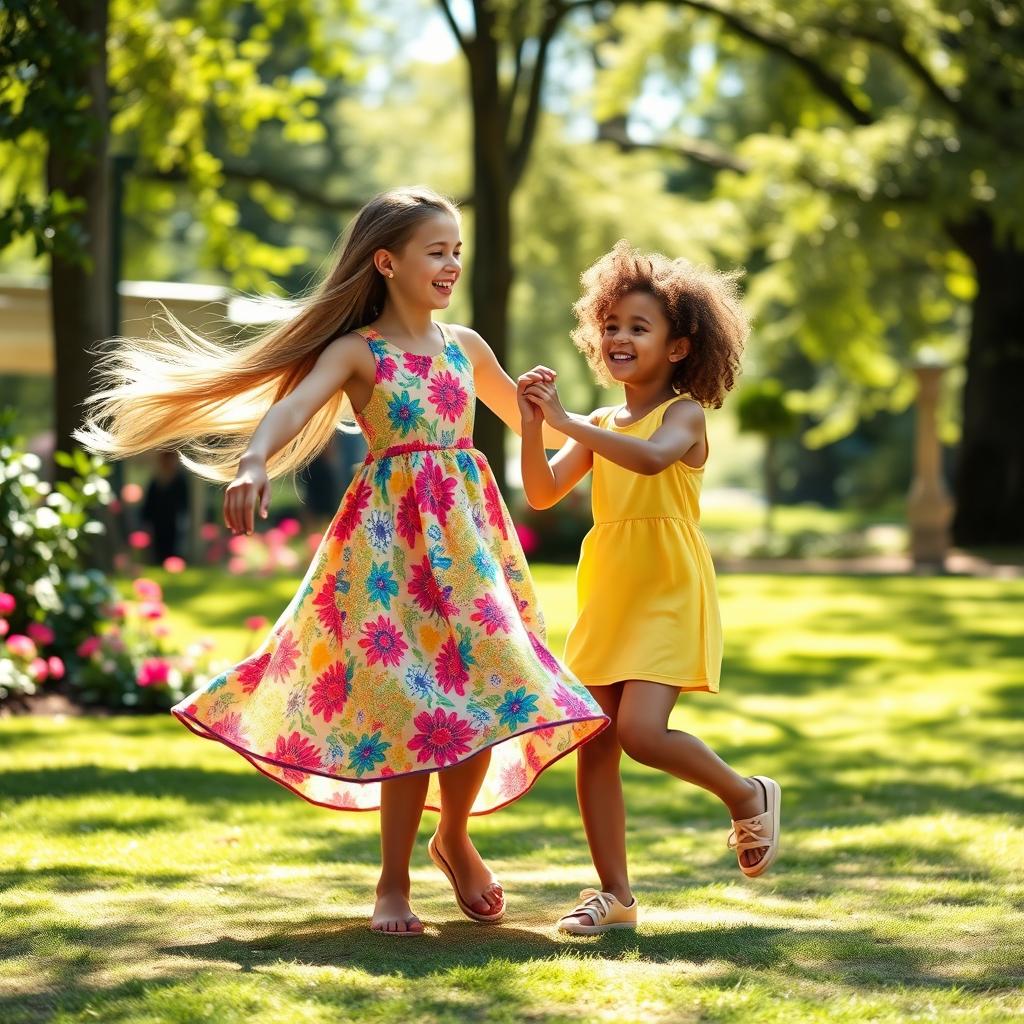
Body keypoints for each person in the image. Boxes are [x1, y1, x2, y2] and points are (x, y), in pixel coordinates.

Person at [76, 186, 608, 936]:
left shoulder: (468, 347)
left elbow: (531, 423)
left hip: (468, 552)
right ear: (387, 262)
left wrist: (592, 427)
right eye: (437, 251)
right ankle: (393, 884)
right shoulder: (358, 350)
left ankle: (453, 834)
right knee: (413, 707)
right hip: (391, 553)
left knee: (489, 688)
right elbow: (295, 406)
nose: (452, 263)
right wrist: (255, 459)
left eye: (458, 250)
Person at [517, 240, 780, 936]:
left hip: (667, 586)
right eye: (610, 326)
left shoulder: (685, 415)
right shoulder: (601, 423)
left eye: (638, 327)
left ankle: (745, 792)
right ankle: (615, 895)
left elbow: (654, 456)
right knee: (596, 739)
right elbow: (542, 492)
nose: (619, 338)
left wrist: (569, 423)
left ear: (680, 346)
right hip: (610, 589)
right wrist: (531, 424)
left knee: (638, 732)